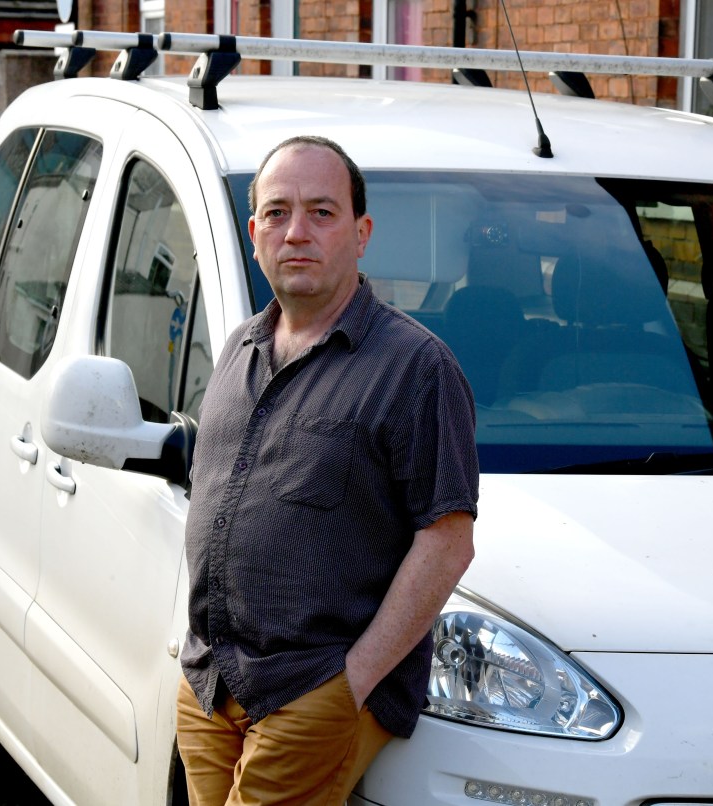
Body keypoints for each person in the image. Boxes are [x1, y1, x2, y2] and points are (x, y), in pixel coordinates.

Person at [176, 134, 479, 805]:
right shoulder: (239, 350)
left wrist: (353, 681)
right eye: (278, 213)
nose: (297, 232)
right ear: (254, 234)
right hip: (210, 683)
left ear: (361, 232)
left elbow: (448, 538)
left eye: (322, 212)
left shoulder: (414, 368)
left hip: (310, 686)